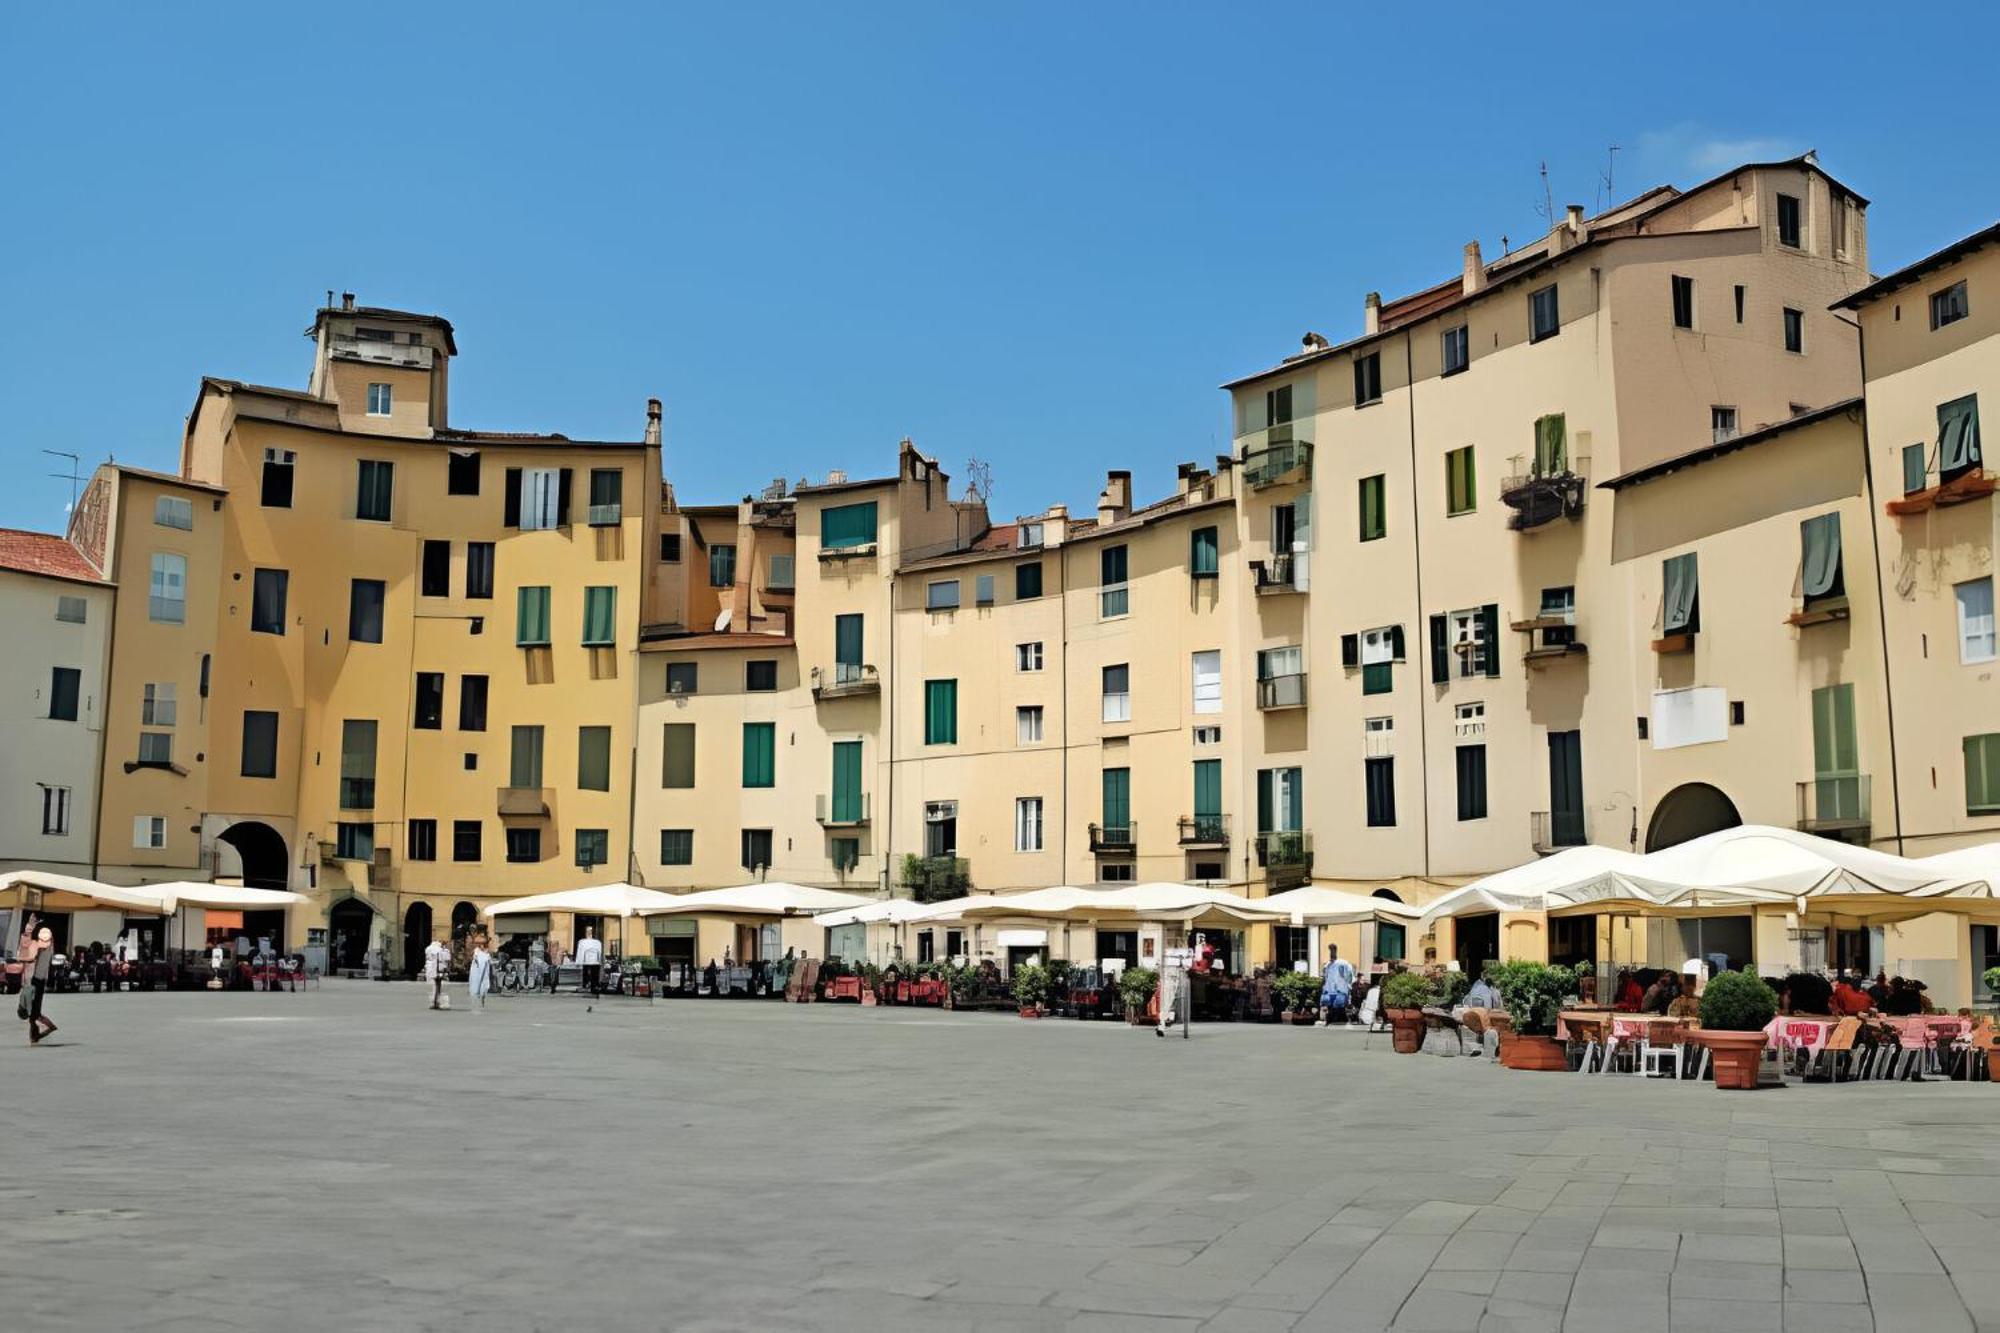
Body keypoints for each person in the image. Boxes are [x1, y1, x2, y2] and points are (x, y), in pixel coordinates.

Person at [19, 921, 57, 1045]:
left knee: (32, 1012)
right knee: (33, 1011)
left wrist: (30, 927)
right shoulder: (50, 947)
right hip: (40, 981)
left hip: (34, 980)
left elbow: (28, 953)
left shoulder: (40, 947)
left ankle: (47, 1027)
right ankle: (35, 1035)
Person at [1315, 943, 1356, 1027]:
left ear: (1335, 951)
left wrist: (1349, 985)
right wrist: (1323, 988)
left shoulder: (1343, 964)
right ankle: (1331, 1020)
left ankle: (1341, 1020)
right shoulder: (1327, 965)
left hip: (1340, 989)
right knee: (1329, 1005)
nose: (1331, 953)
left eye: (1333, 950)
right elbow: (1325, 977)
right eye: (1330, 950)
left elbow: (1350, 976)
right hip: (1330, 990)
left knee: (1339, 1006)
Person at [423, 934, 450, 1010]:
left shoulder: (428, 948)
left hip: (430, 968)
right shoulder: (440, 949)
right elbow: (445, 960)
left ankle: (434, 1002)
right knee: (437, 985)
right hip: (437, 968)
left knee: (434, 985)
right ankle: (436, 1002)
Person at [575, 925, 604, 997]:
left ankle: (593, 987)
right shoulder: (582, 942)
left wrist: (600, 961)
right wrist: (578, 961)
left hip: (595, 962)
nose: (589, 933)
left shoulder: (597, 942)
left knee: (594, 974)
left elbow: (600, 952)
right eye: (588, 931)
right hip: (587, 961)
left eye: (590, 931)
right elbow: (580, 952)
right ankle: (587, 985)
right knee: (586, 973)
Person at [467, 933, 493, 1010]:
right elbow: (475, 960)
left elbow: (489, 962)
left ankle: (482, 1000)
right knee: (476, 986)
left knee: (485, 987)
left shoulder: (487, 953)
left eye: (483, 944)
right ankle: (477, 1001)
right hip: (477, 972)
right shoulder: (476, 951)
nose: (481, 946)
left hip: (485, 973)